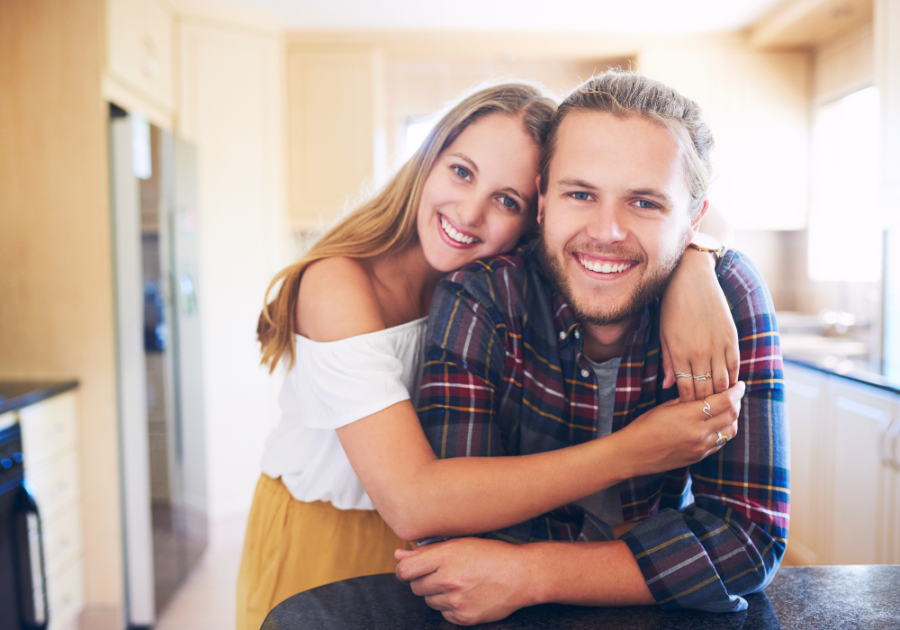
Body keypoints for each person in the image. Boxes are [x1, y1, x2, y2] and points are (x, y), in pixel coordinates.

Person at [236, 81, 745, 630]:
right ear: (427, 161)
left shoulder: (500, 281)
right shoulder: (340, 285)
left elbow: (681, 206)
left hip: (441, 539)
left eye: (507, 200)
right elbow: (412, 500)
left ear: (536, 215)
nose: (471, 213)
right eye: (461, 171)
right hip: (327, 530)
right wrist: (633, 451)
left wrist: (697, 260)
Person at [396, 70, 789, 625]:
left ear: (693, 222)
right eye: (580, 194)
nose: (606, 230)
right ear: (542, 202)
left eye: (645, 203)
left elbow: (748, 538)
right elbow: (456, 536)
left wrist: (528, 572)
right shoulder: (481, 297)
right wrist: (645, 554)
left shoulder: (728, 294)